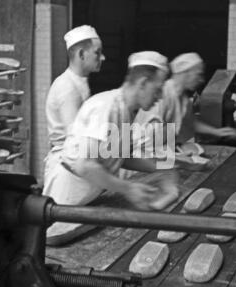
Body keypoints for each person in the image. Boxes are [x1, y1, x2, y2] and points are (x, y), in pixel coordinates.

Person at [43, 51, 172, 211]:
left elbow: (118, 157)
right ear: (143, 83)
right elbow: (85, 165)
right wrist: (128, 188)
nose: (159, 97)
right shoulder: (107, 107)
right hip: (68, 193)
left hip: (90, 192)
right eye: (158, 90)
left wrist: (163, 167)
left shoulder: (127, 109)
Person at [134, 52, 236, 161]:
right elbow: (147, 139)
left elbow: (190, 122)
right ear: (185, 72)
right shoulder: (163, 95)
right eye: (198, 74)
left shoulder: (183, 99)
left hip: (161, 154)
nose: (201, 80)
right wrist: (176, 156)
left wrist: (216, 131)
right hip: (144, 158)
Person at [43, 25, 105, 196]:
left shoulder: (79, 82)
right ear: (81, 55)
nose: (103, 57)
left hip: (77, 165)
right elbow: (75, 140)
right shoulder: (67, 87)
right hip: (67, 171)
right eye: (97, 53)